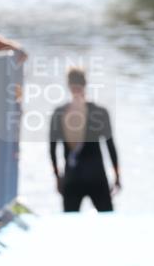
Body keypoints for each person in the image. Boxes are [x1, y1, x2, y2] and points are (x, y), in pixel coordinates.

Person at [49, 66, 121, 212]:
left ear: (69, 85)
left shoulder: (59, 113)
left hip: (72, 176)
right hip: (97, 176)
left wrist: (57, 177)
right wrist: (117, 175)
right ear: (85, 84)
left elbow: (52, 148)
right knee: (108, 223)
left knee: (69, 225)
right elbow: (110, 146)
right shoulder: (100, 112)